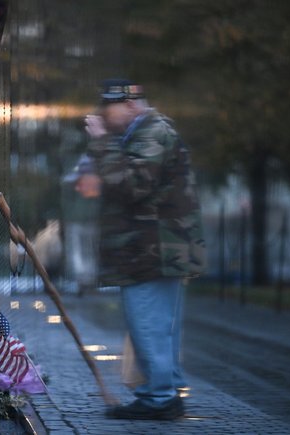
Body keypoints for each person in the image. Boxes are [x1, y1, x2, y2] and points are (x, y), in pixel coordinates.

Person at [77, 78, 206, 420]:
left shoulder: (153, 132)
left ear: (132, 104)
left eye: (110, 108)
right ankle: (161, 391)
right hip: (151, 250)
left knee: (148, 324)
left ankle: (161, 398)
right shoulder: (140, 134)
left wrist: (102, 142)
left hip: (154, 251)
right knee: (156, 325)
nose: (104, 115)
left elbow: (132, 185)